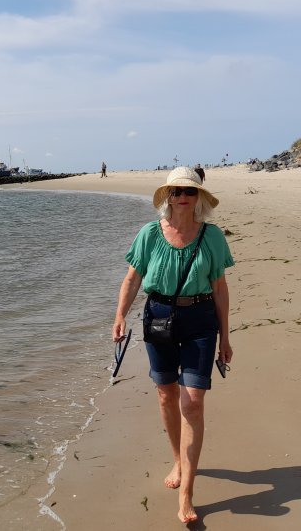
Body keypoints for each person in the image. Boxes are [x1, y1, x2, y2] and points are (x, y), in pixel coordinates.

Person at [112, 166, 234, 524]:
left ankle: (187, 495)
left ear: (199, 198)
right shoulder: (149, 233)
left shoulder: (211, 236)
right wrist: (119, 315)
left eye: (190, 192)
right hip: (159, 316)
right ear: (167, 197)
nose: (182, 197)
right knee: (166, 393)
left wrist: (225, 336)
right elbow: (132, 278)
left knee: (193, 402)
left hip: (200, 319)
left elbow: (220, 288)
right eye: (176, 191)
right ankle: (178, 459)